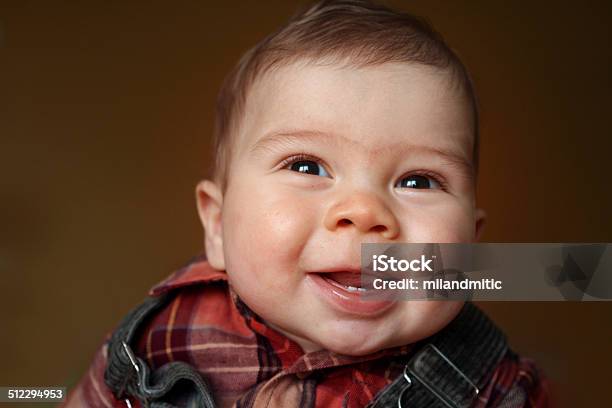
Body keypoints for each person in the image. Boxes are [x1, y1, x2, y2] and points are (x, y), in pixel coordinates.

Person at [63, 0, 550, 406]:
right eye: (306, 167)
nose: (364, 213)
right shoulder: (159, 340)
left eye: (419, 180)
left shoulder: (498, 388)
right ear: (216, 225)